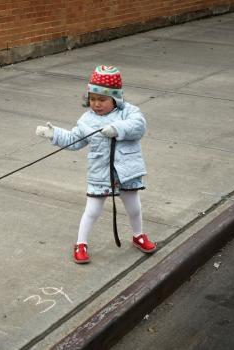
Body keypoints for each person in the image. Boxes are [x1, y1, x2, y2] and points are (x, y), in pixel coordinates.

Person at [35, 65, 156, 264]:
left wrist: (117, 128)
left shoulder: (129, 112)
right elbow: (75, 140)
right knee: (92, 210)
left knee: (134, 207)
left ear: (115, 98)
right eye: (92, 99)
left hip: (127, 171)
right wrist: (54, 134)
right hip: (100, 172)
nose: (96, 104)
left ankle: (138, 235)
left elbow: (139, 127)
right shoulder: (86, 120)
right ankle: (81, 243)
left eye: (102, 99)